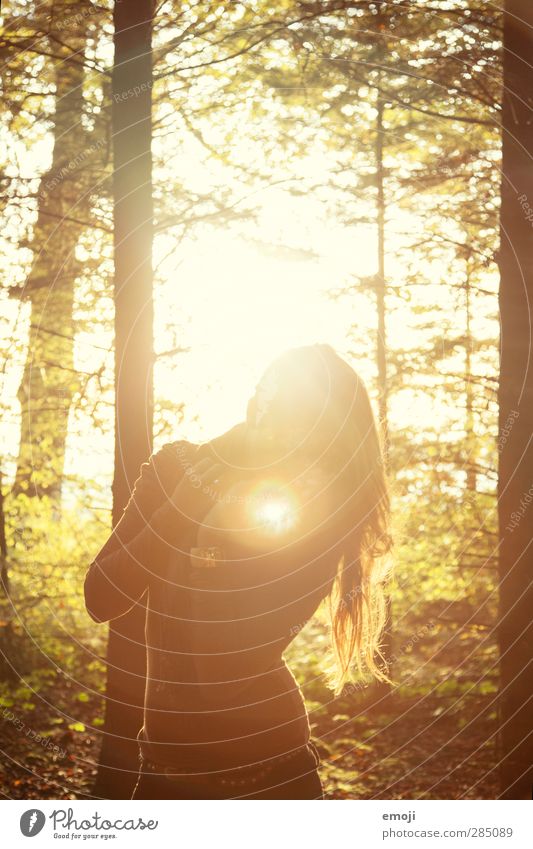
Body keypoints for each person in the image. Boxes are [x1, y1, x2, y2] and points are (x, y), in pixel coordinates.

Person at [84, 344, 392, 799]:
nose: (288, 435)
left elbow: (220, 665)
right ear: (256, 404)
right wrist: (179, 512)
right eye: (275, 405)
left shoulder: (312, 515)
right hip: (163, 774)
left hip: (272, 778)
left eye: (310, 427)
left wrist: (210, 530)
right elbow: (101, 597)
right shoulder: (174, 469)